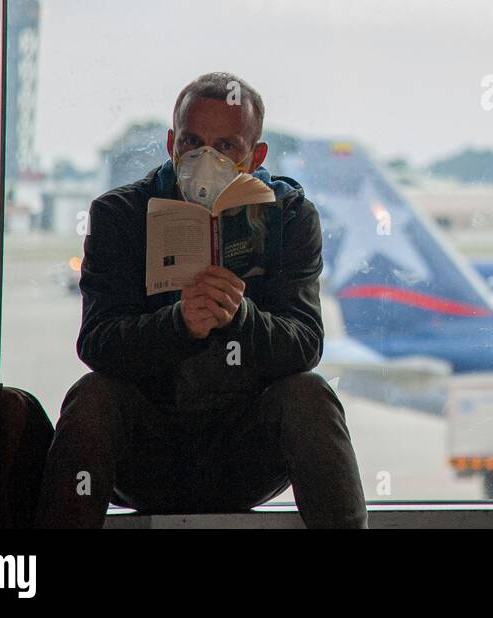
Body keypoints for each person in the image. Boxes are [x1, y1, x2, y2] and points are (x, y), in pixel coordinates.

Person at [35, 71, 368, 528]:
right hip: (147, 449)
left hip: (243, 452)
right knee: (91, 396)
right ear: (171, 144)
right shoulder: (122, 214)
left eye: (227, 146)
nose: (205, 157)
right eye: (193, 141)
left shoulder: (289, 216)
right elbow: (97, 344)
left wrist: (241, 318)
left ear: (256, 155)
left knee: (312, 395)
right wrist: (179, 325)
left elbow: (305, 346)